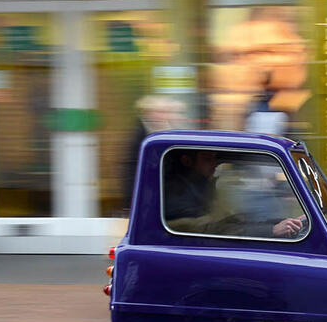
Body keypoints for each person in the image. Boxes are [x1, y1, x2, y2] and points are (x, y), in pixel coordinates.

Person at [164, 149, 305, 238]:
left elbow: (229, 222)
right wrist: (271, 230)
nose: (215, 164)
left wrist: (280, 222)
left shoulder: (200, 186)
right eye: (207, 159)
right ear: (187, 161)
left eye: (215, 158)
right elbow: (212, 230)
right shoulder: (177, 194)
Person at [121, 95, 186, 211]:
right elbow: (132, 171)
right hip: (143, 200)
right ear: (147, 113)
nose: (164, 116)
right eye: (160, 112)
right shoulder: (140, 136)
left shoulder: (156, 131)